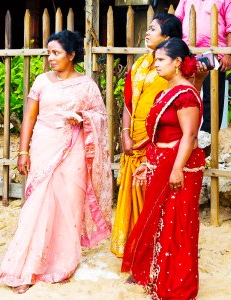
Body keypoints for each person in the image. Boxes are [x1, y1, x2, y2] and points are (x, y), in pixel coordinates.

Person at [0, 30, 112, 294]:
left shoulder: (86, 85)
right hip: (44, 147)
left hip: (73, 152)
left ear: (71, 55)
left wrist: (83, 118)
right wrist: (23, 151)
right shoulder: (41, 82)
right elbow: (29, 118)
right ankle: (26, 267)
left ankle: (63, 263)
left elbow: (101, 118)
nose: (51, 58)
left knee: (68, 205)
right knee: (37, 205)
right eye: (49, 53)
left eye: (56, 53)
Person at [121, 37, 205, 299]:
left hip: (179, 166)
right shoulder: (164, 92)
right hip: (161, 163)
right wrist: (149, 162)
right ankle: (156, 276)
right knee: (157, 219)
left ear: (178, 62)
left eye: (161, 60)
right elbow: (159, 134)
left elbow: (189, 136)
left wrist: (177, 168)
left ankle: (177, 285)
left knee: (177, 223)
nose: (155, 64)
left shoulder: (186, 96)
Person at [110, 13, 183, 258]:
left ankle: (152, 251)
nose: (147, 32)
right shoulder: (139, 65)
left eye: (153, 29)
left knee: (153, 196)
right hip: (134, 136)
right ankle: (133, 249)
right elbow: (129, 103)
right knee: (132, 192)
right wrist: (125, 133)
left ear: (168, 37)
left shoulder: (175, 69)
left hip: (158, 140)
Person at [175, 0, 231, 133]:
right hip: (188, 52)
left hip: (215, 54)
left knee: (212, 97)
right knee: (184, 93)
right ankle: (184, 133)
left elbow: (230, 27)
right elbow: (177, 21)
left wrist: (228, 54)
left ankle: (208, 137)